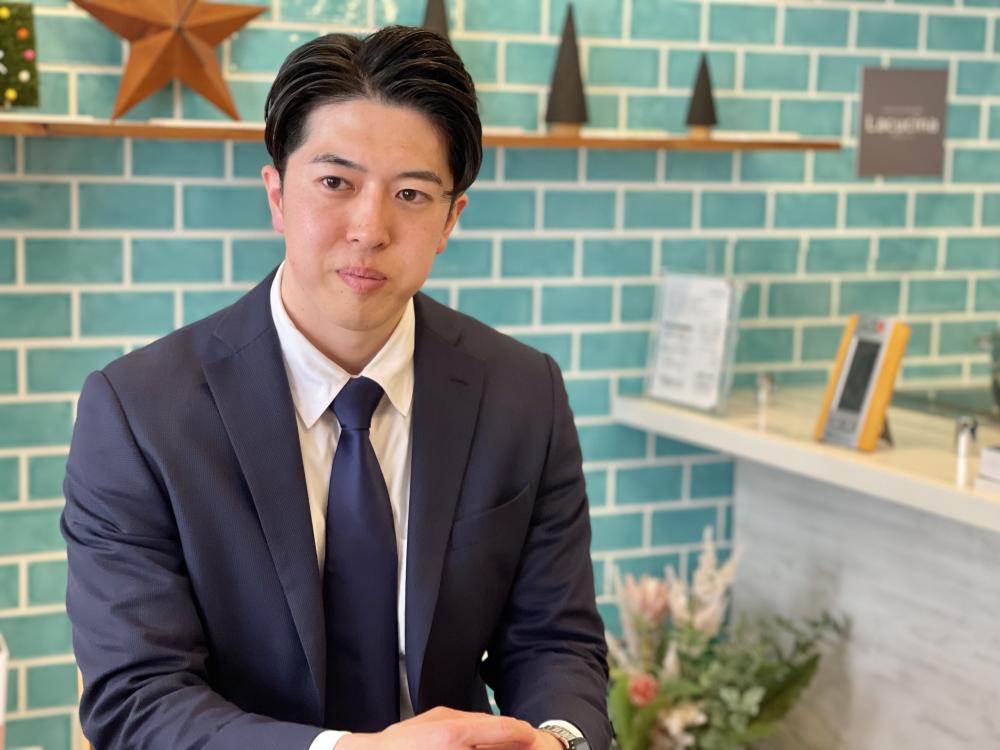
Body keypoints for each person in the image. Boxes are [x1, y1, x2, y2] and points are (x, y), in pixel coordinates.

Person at [61, 25, 610, 750]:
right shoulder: (138, 413)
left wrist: (558, 740)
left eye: (411, 193)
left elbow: (553, 641)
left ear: (451, 218)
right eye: (335, 182)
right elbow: (137, 697)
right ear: (277, 194)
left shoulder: (523, 392)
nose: (370, 227)